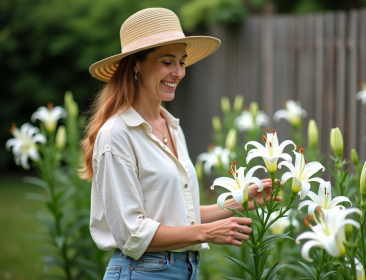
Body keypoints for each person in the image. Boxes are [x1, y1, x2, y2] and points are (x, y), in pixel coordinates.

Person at [79, 7, 279, 280]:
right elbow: (132, 233)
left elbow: (174, 212)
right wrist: (209, 232)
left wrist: (236, 203)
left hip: (186, 270)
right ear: (135, 64)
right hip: (141, 272)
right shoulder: (117, 135)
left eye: (182, 62)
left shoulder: (171, 126)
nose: (179, 72)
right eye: (167, 61)